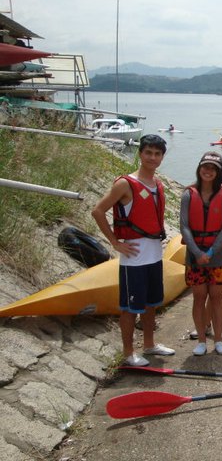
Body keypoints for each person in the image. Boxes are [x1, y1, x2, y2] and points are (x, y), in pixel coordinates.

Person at [91, 134, 175, 367]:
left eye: (157, 154)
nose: (152, 157)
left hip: (154, 255)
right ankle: (129, 353)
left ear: (162, 157)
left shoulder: (157, 183)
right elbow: (98, 211)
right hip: (133, 258)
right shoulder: (125, 184)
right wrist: (115, 242)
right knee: (130, 308)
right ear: (140, 154)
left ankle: (149, 344)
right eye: (148, 152)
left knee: (151, 303)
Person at [180, 152, 222, 356]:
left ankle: (218, 340)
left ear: (219, 172)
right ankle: (201, 340)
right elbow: (184, 225)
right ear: (199, 168)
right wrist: (197, 252)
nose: (208, 171)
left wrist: (210, 252)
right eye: (205, 167)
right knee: (199, 296)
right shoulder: (188, 194)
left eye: (213, 168)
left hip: (217, 255)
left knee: (216, 297)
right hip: (195, 255)